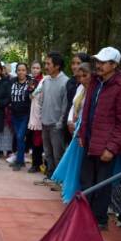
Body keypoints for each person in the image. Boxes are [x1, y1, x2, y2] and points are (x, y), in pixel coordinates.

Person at [77, 47, 121, 230]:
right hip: (89, 140)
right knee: (87, 181)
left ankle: (99, 220)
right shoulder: (96, 82)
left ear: (114, 65)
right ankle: (85, 216)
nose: (99, 65)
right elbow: (87, 110)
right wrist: (82, 133)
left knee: (102, 185)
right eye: (98, 62)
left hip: (106, 145)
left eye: (103, 62)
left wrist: (112, 147)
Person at [51, 62, 92, 202]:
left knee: (79, 165)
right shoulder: (80, 88)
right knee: (72, 163)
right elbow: (73, 105)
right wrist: (70, 121)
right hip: (76, 128)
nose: (82, 79)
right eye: (79, 76)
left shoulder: (95, 90)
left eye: (85, 76)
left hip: (84, 130)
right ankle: (69, 191)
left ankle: (78, 193)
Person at [39, 51, 68, 179]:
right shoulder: (46, 81)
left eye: (48, 64)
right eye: (45, 63)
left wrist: (60, 123)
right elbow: (41, 100)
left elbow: (65, 106)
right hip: (45, 122)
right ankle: (50, 174)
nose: (46, 66)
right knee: (47, 152)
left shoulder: (66, 82)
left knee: (58, 154)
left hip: (57, 125)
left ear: (57, 66)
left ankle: (59, 178)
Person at [9, 63, 33, 171]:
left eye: (23, 70)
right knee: (19, 138)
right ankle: (21, 160)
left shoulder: (30, 82)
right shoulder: (12, 82)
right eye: (19, 70)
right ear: (16, 71)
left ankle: (19, 162)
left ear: (26, 71)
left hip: (25, 115)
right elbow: (8, 96)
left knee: (20, 137)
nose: (21, 72)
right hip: (14, 114)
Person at [27, 61, 44, 172]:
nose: (35, 70)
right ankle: (35, 163)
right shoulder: (31, 81)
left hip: (41, 114)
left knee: (39, 141)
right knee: (34, 140)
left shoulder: (44, 81)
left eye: (37, 68)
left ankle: (38, 164)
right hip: (32, 114)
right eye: (33, 68)